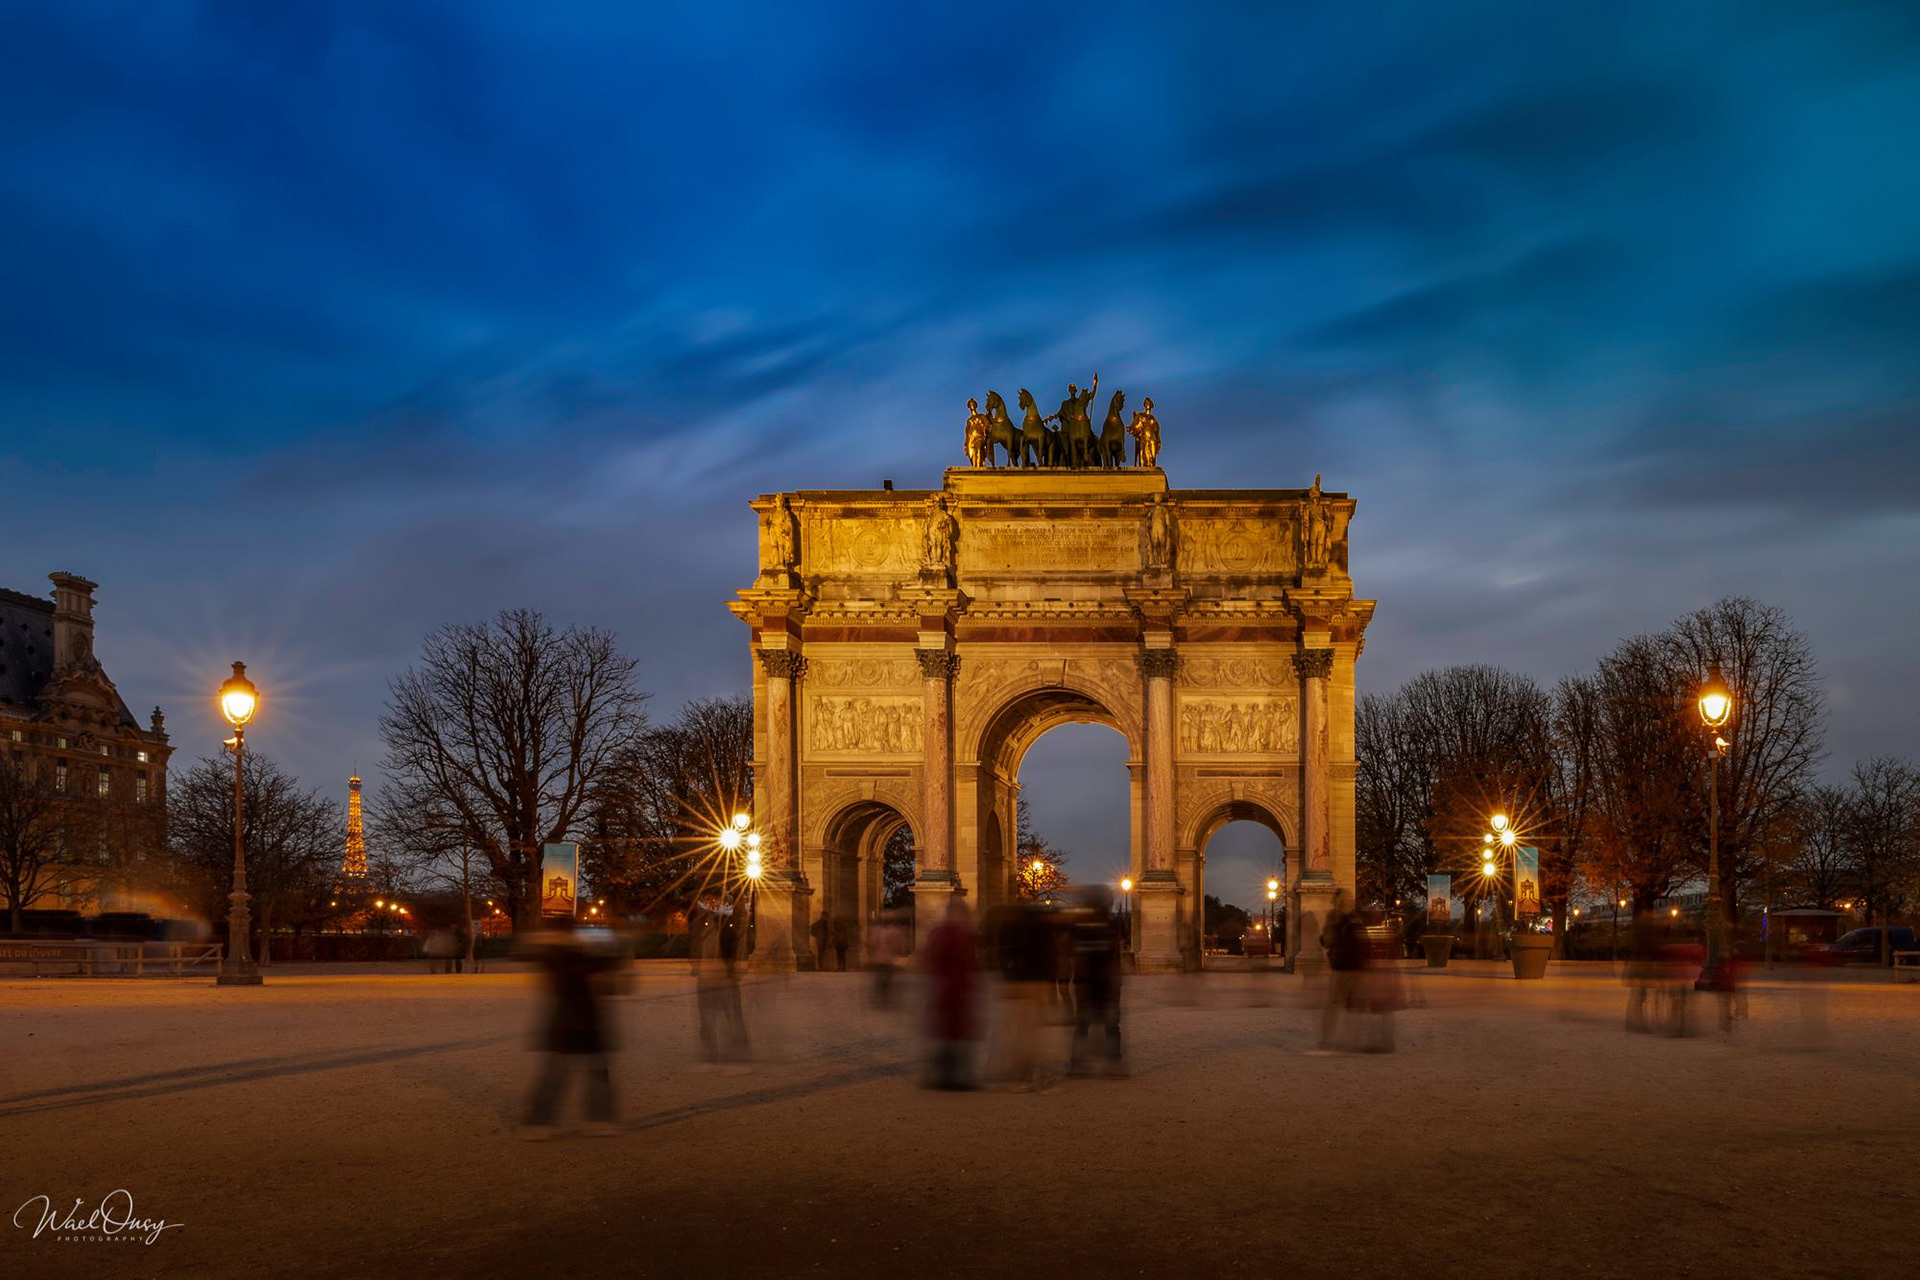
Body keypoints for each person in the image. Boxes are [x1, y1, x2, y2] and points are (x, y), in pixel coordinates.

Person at [520, 915, 622, 1138]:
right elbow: (582, 975)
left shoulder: (563, 954)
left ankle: (596, 1117)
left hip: (578, 1020)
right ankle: (540, 1121)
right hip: (573, 1021)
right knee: (561, 1073)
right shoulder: (560, 955)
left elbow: (609, 978)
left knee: (590, 1073)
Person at [1067, 889, 1126, 1076]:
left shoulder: (1079, 924)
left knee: (1083, 1023)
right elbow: (1114, 952)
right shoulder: (1112, 923)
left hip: (1086, 979)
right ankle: (1113, 1061)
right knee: (1111, 1024)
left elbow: (1074, 951)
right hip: (1107, 980)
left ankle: (1077, 1062)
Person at [923, 898, 980, 1089]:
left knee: (949, 1033)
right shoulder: (961, 934)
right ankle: (956, 1076)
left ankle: (946, 1075)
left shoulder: (938, 933)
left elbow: (930, 959)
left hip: (944, 988)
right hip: (955, 989)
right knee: (956, 1033)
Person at [693, 901, 752, 1072]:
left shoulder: (731, 928)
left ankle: (739, 1058)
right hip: (709, 978)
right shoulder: (708, 924)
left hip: (723, 979)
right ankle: (711, 1056)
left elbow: (740, 952)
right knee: (709, 1020)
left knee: (731, 1019)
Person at [1309, 889, 1363, 1055]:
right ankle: (1334, 1041)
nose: (1350, 901)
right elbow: (1327, 941)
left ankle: (1344, 1041)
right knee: (1339, 1006)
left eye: (1350, 898)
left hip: (1349, 967)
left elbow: (1327, 941)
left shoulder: (1348, 918)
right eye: (1347, 898)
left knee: (1346, 1006)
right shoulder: (1340, 918)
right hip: (1343, 967)